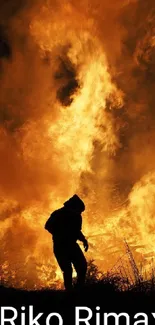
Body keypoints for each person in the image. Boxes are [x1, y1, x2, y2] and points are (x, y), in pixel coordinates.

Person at [44, 194, 88, 291]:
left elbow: (77, 231)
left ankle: (78, 289)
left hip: (72, 245)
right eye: (79, 210)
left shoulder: (77, 217)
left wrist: (83, 240)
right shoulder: (58, 214)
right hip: (60, 246)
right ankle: (69, 291)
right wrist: (59, 234)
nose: (80, 213)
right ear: (73, 206)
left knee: (82, 266)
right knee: (67, 270)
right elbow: (47, 226)